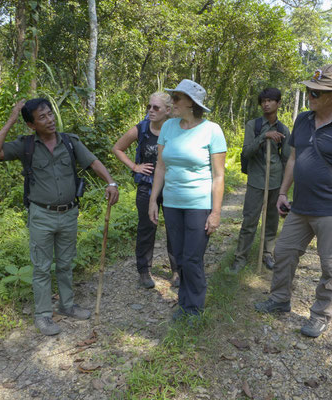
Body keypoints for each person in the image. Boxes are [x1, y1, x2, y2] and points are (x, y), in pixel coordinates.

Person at [0, 98, 119, 336]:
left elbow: (93, 162)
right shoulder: (25, 145)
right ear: (31, 124)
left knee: (66, 263)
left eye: (50, 114)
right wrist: (11, 118)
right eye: (42, 117)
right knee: (42, 267)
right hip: (41, 216)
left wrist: (111, 182)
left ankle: (67, 305)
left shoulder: (69, 141)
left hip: (68, 214)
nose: (50, 120)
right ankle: (43, 316)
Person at [254, 64, 332, 338]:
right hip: (300, 206)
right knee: (284, 252)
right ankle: (280, 300)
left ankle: (321, 315)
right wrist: (282, 193)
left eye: (317, 92)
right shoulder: (302, 120)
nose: (310, 95)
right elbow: (292, 158)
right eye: (309, 90)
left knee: (329, 265)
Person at [148, 79, 227, 321]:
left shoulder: (212, 130)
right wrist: (154, 200)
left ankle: (193, 309)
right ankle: (185, 302)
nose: (173, 102)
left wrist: (215, 212)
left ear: (192, 104)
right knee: (180, 256)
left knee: (193, 257)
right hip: (172, 204)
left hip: (199, 205)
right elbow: (160, 167)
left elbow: (218, 175)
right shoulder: (169, 127)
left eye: (177, 98)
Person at [112, 92, 178, 289]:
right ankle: (144, 270)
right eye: (149, 106)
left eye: (156, 107)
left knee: (174, 228)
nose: (150, 110)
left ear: (168, 110)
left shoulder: (176, 129)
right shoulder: (141, 129)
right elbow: (117, 148)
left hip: (172, 185)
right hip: (146, 186)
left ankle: (177, 271)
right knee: (147, 227)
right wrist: (135, 167)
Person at [231, 88, 290, 273]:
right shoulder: (253, 125)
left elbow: (287, 159)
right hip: (256, 179)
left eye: (270, 101)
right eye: (263, 101)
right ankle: (240, 258)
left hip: (275, 180)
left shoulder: (283, 130)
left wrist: (284, 188)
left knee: (271, 221)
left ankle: (267, 254)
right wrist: (263, 137)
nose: (266, 104)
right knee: (249, 220)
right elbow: (246, 151)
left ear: (278, 103)